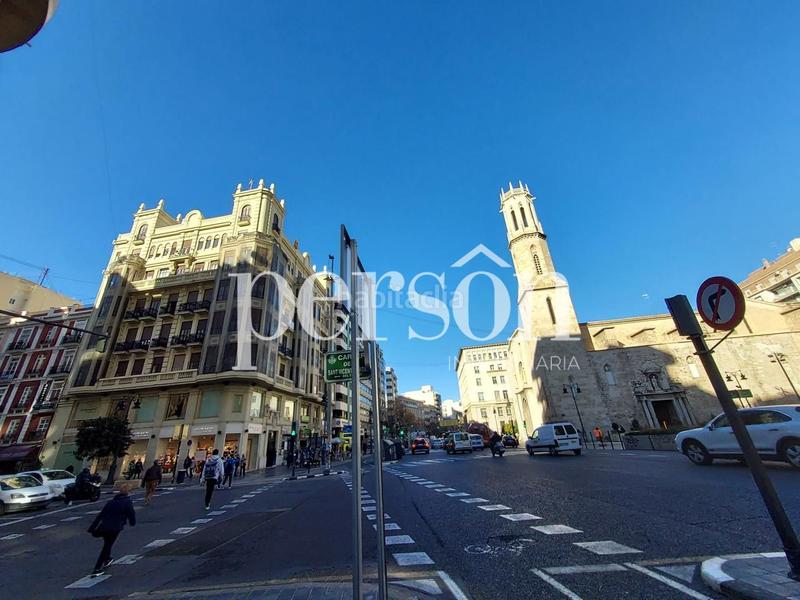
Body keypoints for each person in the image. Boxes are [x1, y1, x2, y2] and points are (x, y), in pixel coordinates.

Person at [88, 483, 136, 577]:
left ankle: (107, 559)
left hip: (104, 526)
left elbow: (101, 515)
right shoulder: (127, 502)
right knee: (107, 546)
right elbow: (131, 514)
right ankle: (97, 568)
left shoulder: (111, 502)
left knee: (107, 543)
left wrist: (92, 527)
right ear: (129, 492)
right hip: (115, 528)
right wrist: (132, 522)